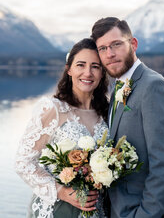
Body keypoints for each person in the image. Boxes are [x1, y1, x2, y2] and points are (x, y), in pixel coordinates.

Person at [91, 17, 164, 218]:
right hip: (117, 209)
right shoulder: (118, 86)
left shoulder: (154, 87)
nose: (110, 54)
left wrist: (145, 214)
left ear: (133, 44)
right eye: (103, 48)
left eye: (116, 44)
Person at [15, 38, 109, 218]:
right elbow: (23, 162)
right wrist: (61, 191)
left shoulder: (106, 113)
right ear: (69, 69)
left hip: (95, 210)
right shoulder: (53, 109)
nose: (88, 73)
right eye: (81, 65)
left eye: (95, 66)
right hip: (57, 209)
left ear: (102, 72)